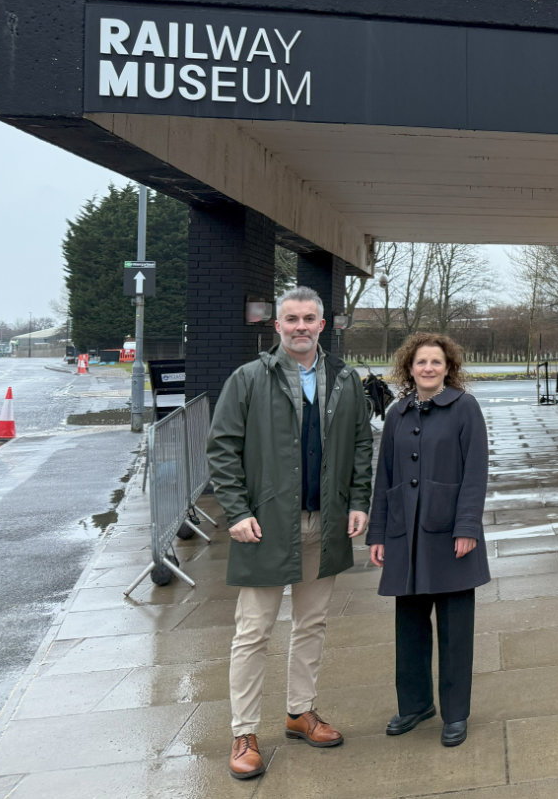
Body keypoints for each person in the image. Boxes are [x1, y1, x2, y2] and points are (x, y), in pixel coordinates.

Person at [207, 286, 373, 779]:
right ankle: (244, 732)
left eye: (309, 319)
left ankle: (300, 712)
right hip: (264, 526)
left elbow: (362, 444)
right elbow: (222, 448)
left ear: (323, 325)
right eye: (291, 319)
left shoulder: (345, 379)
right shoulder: (248, 379)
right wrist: (235, 510)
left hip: (324, 524)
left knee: (311, 624)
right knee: (253, 631)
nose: (300, 326)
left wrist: (359, 501)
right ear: (276, 326)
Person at [367, 332, 489, 748]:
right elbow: (384, 477)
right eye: (421, 362)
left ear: (447, 367)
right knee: (410, 625)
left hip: (450, 533)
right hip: (406, 534)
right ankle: (416, 704)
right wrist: (378, 533)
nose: (429, 369)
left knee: (455, 628)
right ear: (409, 368)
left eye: (436, 362)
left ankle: (455, 713)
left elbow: (476, 471)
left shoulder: (464, 408)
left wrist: (467, 527)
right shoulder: (397, 413)